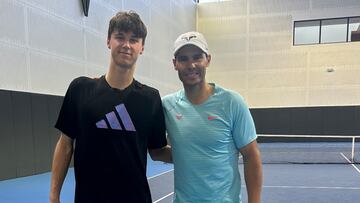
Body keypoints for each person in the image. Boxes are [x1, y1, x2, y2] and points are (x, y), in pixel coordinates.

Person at [50, 11, 171, 203]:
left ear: (142, 47)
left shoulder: (150, 98)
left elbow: (157, 151)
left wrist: (196, 151)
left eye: (134, 39)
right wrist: (54, 195)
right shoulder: (80, 89)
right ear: (108, 41)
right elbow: (65, 144)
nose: (126, 45)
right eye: (120, 37)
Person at [162, 31, 263, 203]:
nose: (191, 65)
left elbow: (251, 155)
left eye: (197, 57)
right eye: (183, 59)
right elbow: (156, 150)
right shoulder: (166, 106)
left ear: (207, 59)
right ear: (175, 64)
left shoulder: (232, 102)